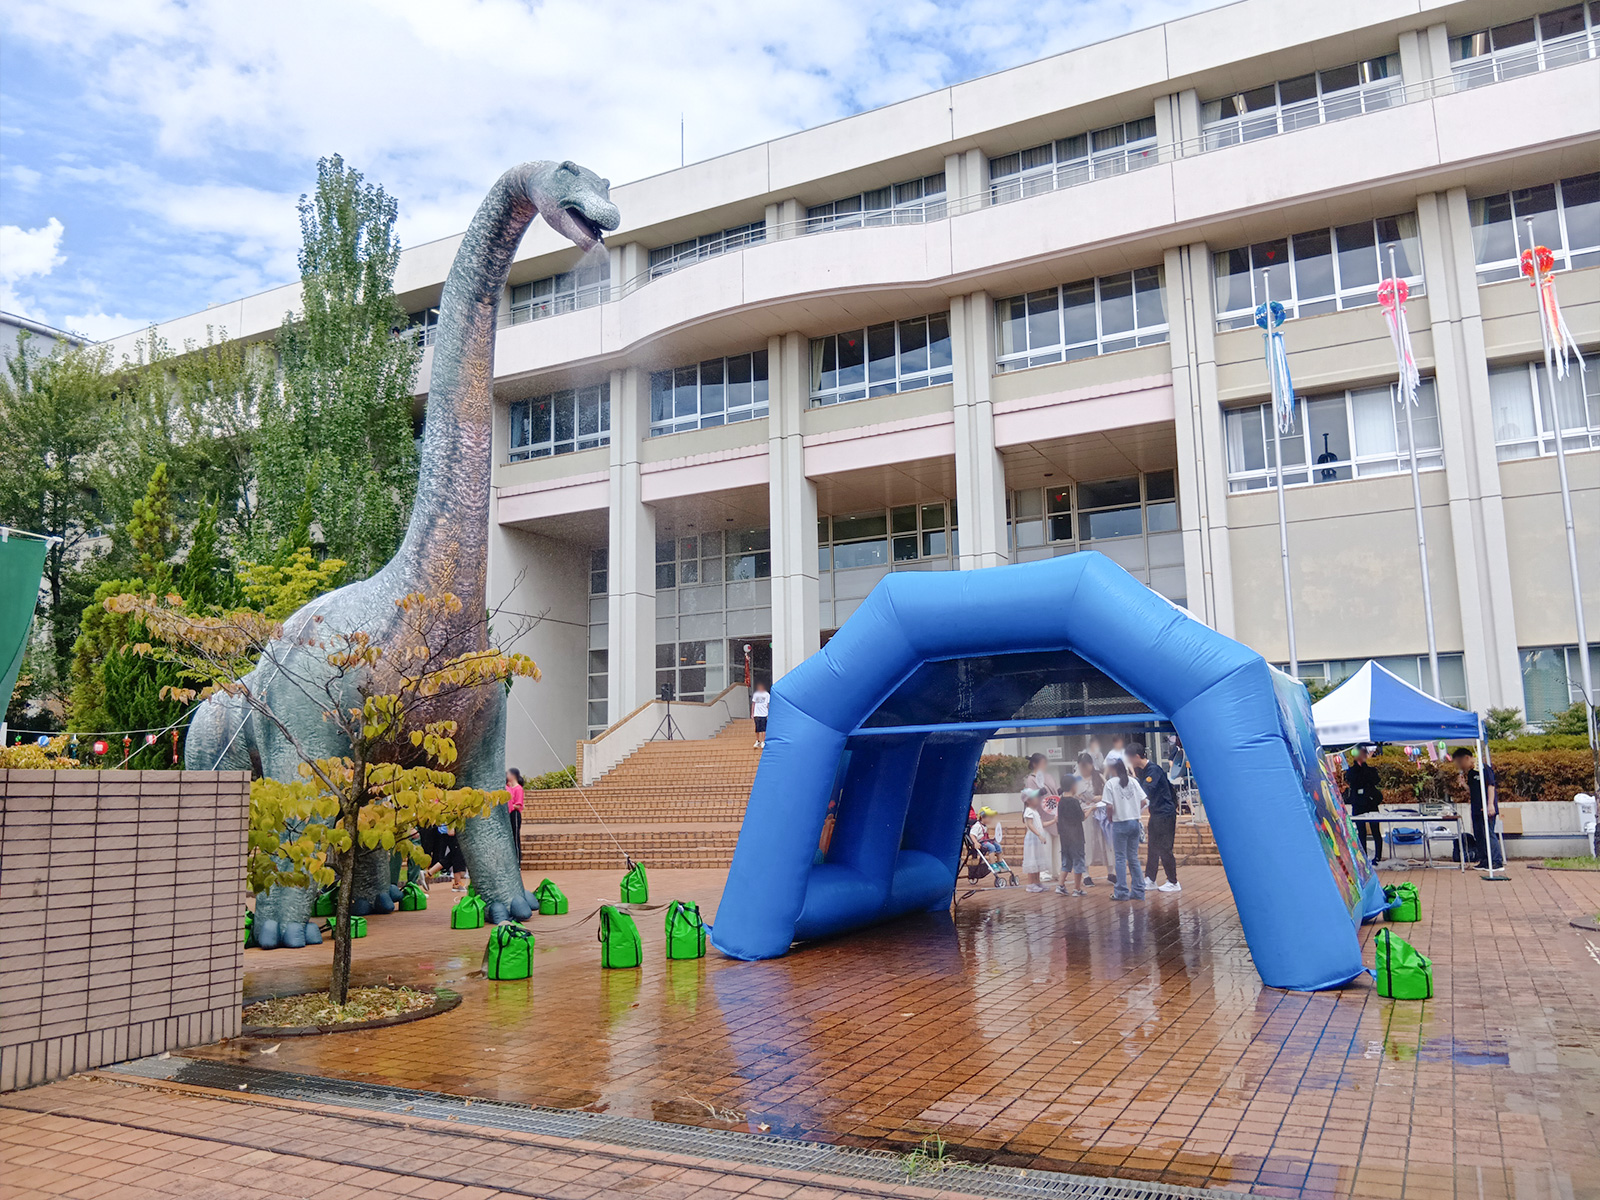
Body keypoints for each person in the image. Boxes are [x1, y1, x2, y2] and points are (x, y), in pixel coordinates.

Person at [1128, 743, 1180, 893]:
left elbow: (1145, 791)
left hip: (1165, 813)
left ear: (1136, 757)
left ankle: (1173, 882)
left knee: (1165, 848)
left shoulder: (1153, 770)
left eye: (1130, 758)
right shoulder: (1143, 770)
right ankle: (1150, 879)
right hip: (1156, 813)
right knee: (1153, 847)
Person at [1102, 758, 1146, 900]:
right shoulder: (1133, 781)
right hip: (1134, 822)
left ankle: (1121, 891)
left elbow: (1109, 806)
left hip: (1120, 822)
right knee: (1133, 857)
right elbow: (1144, 801)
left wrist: (1110, 817)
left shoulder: (1110, 783)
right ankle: (1138, 890)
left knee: (1120, 858)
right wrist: (1135, 810)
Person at [1453, 747, 1502, 868]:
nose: (1460, 766)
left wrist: (1490, 804)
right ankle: (1484, 860)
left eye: (1460, 762)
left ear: (1467, 758)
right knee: (1479, 835)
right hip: (1475, 808)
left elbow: (1491, 786)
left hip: (1487, 808)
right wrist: (1464, 784)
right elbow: (1473, 790)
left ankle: (1496, 861)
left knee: (1488, 834)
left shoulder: (1484, 768)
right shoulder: (1471, 773)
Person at [1021, 754, 1061, 884]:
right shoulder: (1031, 779)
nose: (1045, 765)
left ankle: (1056, 871)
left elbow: (1056, 791)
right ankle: (1045, 872)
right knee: (1045, 844)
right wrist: (1040, 793)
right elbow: (1029, 796)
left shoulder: (1048, 776)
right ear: (1035, 764)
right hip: (1041, 813)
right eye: (1042, 763)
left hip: (1053, 811)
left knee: (1056, 845)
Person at [1343, 745, 1384, 863]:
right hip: (1358, 803)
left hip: (1371, 802)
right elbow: (1352, 781)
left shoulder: (1371, 770)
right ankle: (1363, 856)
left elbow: (1375, 780)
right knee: (1361, 832)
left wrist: (1364, 770)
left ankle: (1378, 857)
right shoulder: (1351, 771)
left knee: (1375, 831)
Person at [1075, 751, 1107, 887]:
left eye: (1086, 766)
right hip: (1083, 814)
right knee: (1085, 843)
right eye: (1082, 767)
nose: (1084, 769)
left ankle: (1111, 872)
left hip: (1100, 813)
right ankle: (1086, 874)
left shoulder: (1098, 777)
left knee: (1104, 842)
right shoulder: (1075, 779)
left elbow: (1108, 792)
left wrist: (1100, 797)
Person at [1020, 790, 1051, 892]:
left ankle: (1037, 882)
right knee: (1032, 860)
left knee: (1037, 860)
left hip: (1037, 839)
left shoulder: (1035, 811)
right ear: (1028, 800)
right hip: (1033, 839)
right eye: (1035, 797)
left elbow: (1041, 824)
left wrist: (1054, 821)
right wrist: (1038, 835)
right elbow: (1030, 825)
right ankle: (1030, 884)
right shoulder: (1028, 811)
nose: (1038, 799)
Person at [505, 767, 526, 852]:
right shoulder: (510, 788)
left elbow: (518, 805)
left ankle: (517, 856)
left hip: (515, 814)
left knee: (515, 836)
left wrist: (510, 805)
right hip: (510, 813)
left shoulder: (518, 788)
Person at [751, 680, 770, 748]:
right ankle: (757, 741)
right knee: (757, 728)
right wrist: (752, 713)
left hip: (764, 714)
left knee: (763, 729)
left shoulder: (767, 694)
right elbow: (753, 704)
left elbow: (768, 704)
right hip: (757, 714)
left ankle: (763, 741)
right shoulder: (756, 694)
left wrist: (769, 713)